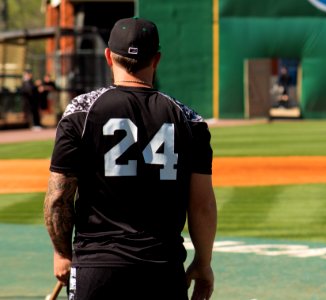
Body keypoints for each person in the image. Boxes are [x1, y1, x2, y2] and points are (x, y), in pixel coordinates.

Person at [44, 17, 217, 300]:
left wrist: (62, 254)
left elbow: (58, 198)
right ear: (157, 59)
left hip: (96, 268)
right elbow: (202, 205)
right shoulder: (190, 120)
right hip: (162, 269)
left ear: (109, 57)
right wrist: (203, 262)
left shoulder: (80, 111)